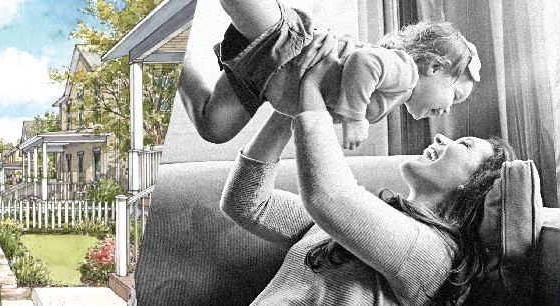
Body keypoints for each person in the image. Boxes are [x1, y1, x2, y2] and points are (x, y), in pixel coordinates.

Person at [216, 60, 515, 304]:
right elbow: (248, 203)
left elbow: (329, 198)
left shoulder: (434, 256)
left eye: (463, 145)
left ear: (475, 186)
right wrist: (288, 109)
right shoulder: (366, 218)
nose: (440, 137)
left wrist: (311, 85)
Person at [177, 0, 482, 149]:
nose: (446, 110)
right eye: (455, 96)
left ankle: (170, 50)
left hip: (265, 78)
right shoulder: (405, 73)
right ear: (433, 66)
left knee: (214, 127)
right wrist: (354, 119)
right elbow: (364, 63)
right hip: (286, 46)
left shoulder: (395, 94)